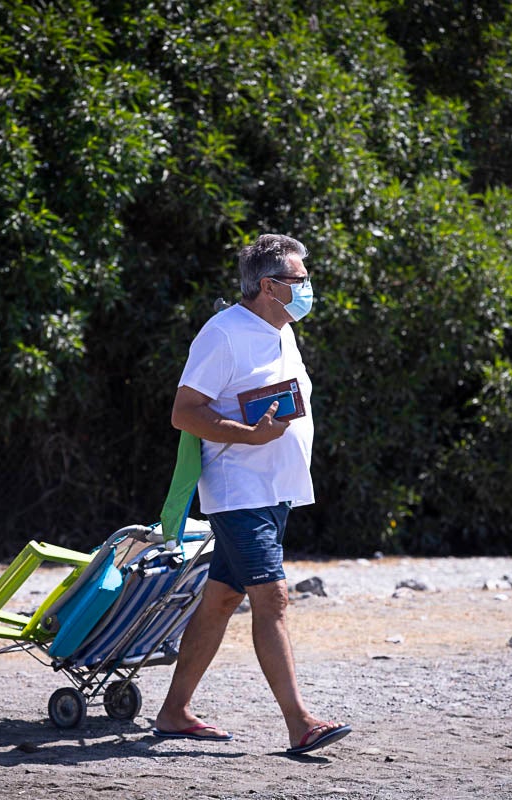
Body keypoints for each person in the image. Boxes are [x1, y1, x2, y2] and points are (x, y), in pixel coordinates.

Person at [153, 233, 351, 756]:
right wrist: (249, 436)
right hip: (238, 492)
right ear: (269, 286)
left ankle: (174, 711)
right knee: (274, 598)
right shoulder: (222, 334)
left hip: (274, 491)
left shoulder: (280, 329)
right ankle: (300, 722)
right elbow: (184, 412)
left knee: (220, 599)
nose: (309, 289)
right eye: (300, 280)